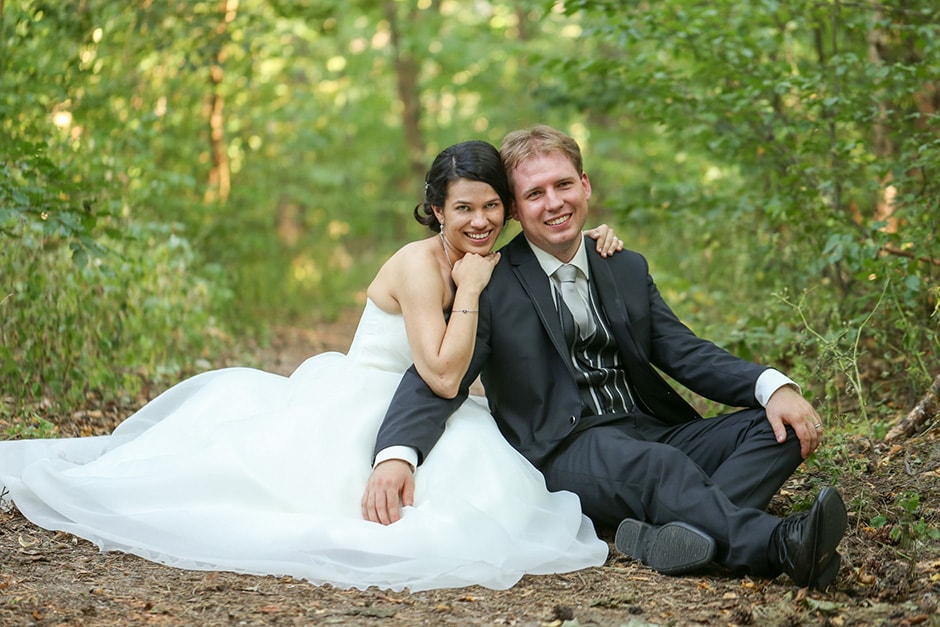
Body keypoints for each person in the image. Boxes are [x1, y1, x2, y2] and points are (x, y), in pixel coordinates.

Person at [0, 140, 625, 592]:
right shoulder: (421, 264)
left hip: (434, 405)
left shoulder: (493, 257)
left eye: (492, 206)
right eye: (463, 208)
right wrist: (466, 288)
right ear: (437, 211)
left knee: (499, 479)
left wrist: (599, 244)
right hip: (372, 399)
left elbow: (548, 267)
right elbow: (439, 375)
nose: (481, 221)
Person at [364, 125, 848, 591]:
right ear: (515, 209)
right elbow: (438, 375)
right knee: (660, 468)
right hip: (566, 447)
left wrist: (773, 386)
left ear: (585, 185)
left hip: (649, 428)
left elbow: (685, 351)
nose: (554, 202)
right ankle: (782, 545)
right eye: (535, 194)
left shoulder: (623, 264)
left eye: (563, 185)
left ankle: (671, 537)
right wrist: (397, 455)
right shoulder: (493, 284)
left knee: (777, 427)